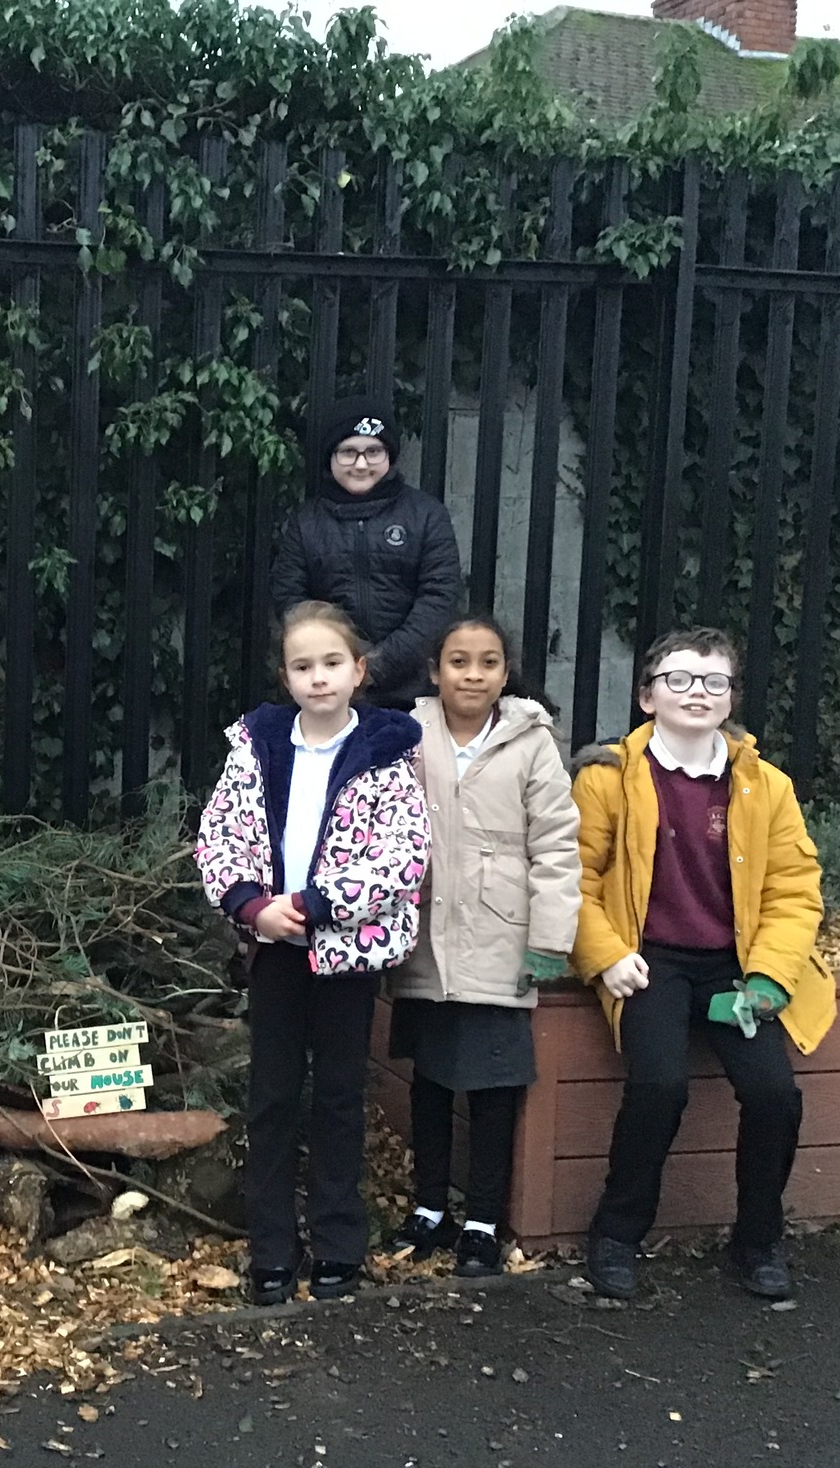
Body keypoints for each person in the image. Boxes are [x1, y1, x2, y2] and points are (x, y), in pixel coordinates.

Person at [570, 627, 834, 1302]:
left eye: (714, 681)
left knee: (775, 1094)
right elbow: (575, 880)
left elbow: (794, 888)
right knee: (659, 1087)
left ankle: (758, 1242)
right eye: (680, 679)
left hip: (734, 966)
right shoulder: (606, 779)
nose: (697, 692)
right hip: (648, 958)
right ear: (646, 696)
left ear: (731, 698)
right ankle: (616, 1235)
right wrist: (605, 957)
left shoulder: (766, 786)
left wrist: (771, 978)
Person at [195, 600, 431, 1306]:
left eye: (332, 664)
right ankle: (271, 1248)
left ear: (358, 671)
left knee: (336, 1096)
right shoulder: (259, 749)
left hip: (344, 951)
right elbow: (218, 838)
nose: (319, 678)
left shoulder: (386, 752)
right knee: (270, 1096)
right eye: (304, 666)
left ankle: (337, 1243)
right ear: (286, 676)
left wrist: (320, 904)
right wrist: (251, 906)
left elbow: (404, 856)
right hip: (275, 948)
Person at [385, 617, 580, 1278]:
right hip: (425, 934)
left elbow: (556, 846)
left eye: (488, 662)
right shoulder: (408, 733)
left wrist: (551, 939)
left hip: (501, 934)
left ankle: (483, 1220)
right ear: (435, 670)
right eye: (458, 661)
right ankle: (430, 1207)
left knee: (494, 1084)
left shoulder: (531, 741)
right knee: (431, 1077)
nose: (473, 674)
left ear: (505, 672)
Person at [269, 396, 463, 711]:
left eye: (373, 451)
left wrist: (377, 664)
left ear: (389, 455)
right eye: (348, 452)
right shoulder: (306, 522)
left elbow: (439, 598)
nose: (361, 464)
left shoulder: (427, 515)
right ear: (330, 457)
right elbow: (291, 600)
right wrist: (339, 663)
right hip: (329, 692)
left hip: (413, 692)